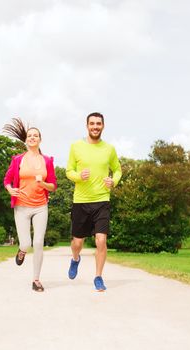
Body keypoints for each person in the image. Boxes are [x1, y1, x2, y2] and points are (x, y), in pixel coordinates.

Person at [66, 112, 122, 291]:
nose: (95, 127)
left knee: (101, 240)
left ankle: (98, 277)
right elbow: (68, 171)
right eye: (92, 124)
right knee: (77, 243)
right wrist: (78, 176)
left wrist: (113, 181)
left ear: (103, 126)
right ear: (87, 125)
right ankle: (75, 259)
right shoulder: (76, 147)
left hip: (102, 200)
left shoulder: (109, 149)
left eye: (98, 124)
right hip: (81, 201)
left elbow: (118, 170)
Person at [3, 118, 57, 292]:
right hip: (22, 206)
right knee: (26, 243)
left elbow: (53, 186)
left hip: (41, 206)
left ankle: (36, 279)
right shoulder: (18, 160)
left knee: (39, 242)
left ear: (40, 140)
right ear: (26, 140)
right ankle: (21, 250)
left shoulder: (47, 161)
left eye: (36, 135)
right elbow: (7, 180)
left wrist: (43, 185)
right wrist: (10, 189)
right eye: (30, 135)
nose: (32, 138)